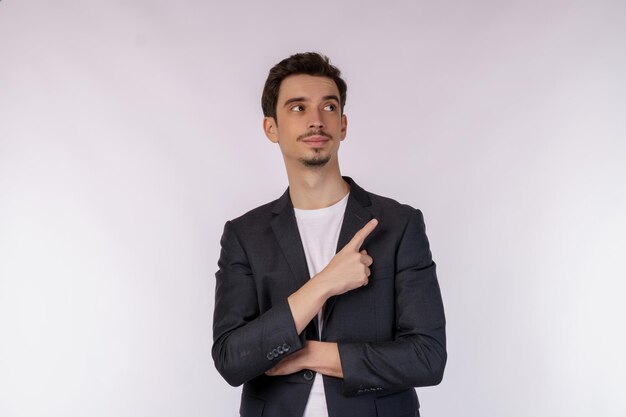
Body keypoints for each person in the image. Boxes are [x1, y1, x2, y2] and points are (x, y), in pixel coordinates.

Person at [212, 52, 446, 417]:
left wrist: (313, 353)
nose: (316, 121)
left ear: (343, 125)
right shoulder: (244, 235)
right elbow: (231, 359)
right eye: (297, 108)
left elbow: (427, 358)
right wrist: (324, 284)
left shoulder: (399, 224)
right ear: (271, 128)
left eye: (329, 107)